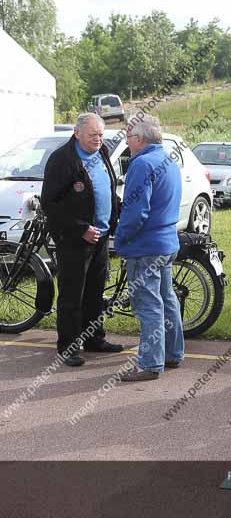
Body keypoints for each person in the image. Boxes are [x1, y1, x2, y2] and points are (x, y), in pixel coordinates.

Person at [41, 113, 123, 367]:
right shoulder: (62, 160)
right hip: (74, 240)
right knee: (72, 295)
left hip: (101, 235)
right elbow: (50, 204)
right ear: (77, 133)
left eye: (100, 134)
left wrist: (114, 219)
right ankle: (68, 347)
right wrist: (81, 228)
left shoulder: (103, 152)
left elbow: (108, 189)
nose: (98, 139)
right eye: (92, 135)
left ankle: (94, 338)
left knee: (95, 292)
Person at [116, 115, 184, 382]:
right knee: (167, 299)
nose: (127, 142)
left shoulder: (141, 164)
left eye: (129, 137)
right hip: (167, 242)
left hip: (146, 246)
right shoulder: (169, 161)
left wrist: (121, 239)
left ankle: (149, 364)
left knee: (148, 305)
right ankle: (172, 353)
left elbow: (135, 212)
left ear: (140, 139)